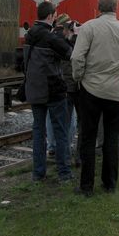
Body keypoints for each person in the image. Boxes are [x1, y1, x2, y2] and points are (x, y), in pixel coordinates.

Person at [71, 0, 119, 196]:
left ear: (98, 7)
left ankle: (86, 187)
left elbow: (76, 58)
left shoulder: (88, 28)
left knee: (88, 138)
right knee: (111, 138)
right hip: (114, 93)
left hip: (90, 90)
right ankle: (109, 183)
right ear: (116, 8)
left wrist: (78, 77)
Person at [24, 1, 73, 183]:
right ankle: (64, 172)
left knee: (38, 131)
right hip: (53, 90)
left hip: (34, 89)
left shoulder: (30, 34)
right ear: (52, 16)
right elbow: (70, 54)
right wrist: (68, 36)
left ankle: (38, 173)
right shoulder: (51, 38)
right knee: (60, 130)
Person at [46, 14, 77, 159]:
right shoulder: (65, 41)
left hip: (52, 82)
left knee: (50, 117)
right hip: (67, 84)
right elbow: (73, 58)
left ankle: (52, 146)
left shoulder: (49, 37)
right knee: (70, 118)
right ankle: (66, 146)